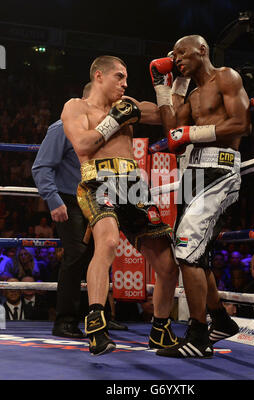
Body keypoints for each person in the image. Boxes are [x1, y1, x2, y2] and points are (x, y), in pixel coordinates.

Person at [61, 55, 179, 356]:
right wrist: (115, 120)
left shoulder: (129, 105)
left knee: (167, 264)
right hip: (97, 181)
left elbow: (171, 120)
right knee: (109, 241)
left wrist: (164, 86)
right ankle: (97, 325)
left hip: (133, 185)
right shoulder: (76, 107)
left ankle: (161, 331)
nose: (126, 83)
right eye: (119, 76)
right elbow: (84, 145)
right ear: (99, 76)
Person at [149, 34, 251, 357]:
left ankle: (198, 336)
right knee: (193, 251)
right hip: (190, 174)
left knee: (187, 247)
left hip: (219, 171)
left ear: (202, 50)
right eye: (173, 54)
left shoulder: (226, 77)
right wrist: (165, 86)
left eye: (182, 52)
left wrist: (195, 132)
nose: (176, 57)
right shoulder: (190, 96)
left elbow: (242, 123)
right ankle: (220, 319)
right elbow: (172, 134)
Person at [32, 83, 127, 338]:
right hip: (69, 199)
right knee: (76, 254)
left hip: (100, 196)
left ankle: (99, 316)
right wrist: (53, 201)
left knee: (102, 252)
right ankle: (65, 321)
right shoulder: (62, 128)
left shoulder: (104, 131)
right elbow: (41, 167)